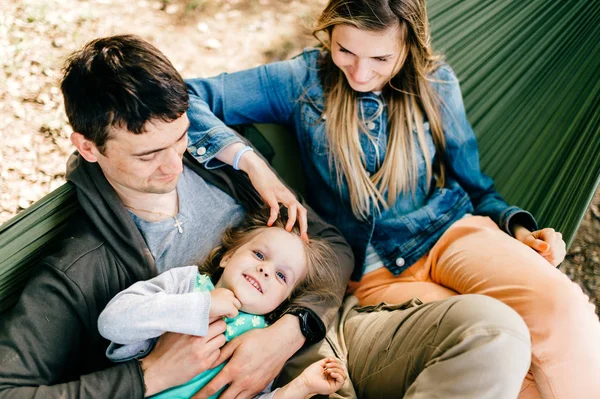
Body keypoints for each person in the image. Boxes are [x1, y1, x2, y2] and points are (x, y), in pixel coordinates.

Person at [0, 34, 531, 399]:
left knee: (495, 330)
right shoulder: (80, 265)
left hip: (327, 332)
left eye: (181, 138)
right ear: (88, 147)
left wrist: (291, 331)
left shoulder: (221, 170)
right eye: (147, 154)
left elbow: (329, 244)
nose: (172, 164)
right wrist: (146, 376)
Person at [183, 0, 600, 398]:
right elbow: (184, 95)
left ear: (408, 46)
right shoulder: (301, 80)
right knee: (500, 361)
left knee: (564, 311)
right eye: (345, 49)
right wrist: (253, 164)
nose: (361, 73)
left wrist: (520, 229)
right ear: (329, 30)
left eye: (380, 59)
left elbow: (477, 187)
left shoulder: (434, 82)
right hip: (376, 275)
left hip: (451, 232)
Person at [98, 208, 347, 399]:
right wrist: (202, 305)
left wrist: (302, 386)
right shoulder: (187, 285)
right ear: (227, 256)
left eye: (282, 276)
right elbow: (112, 322)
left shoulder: (263, 344)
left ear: (283, 302)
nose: (265, 270)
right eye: (259, 255)